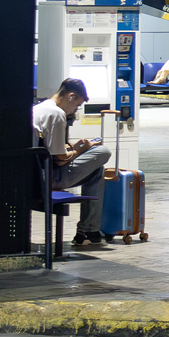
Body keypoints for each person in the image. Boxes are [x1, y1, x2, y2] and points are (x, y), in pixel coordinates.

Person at [32, 78, 112, 245]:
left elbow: (51, 149)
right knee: (103, 152)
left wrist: (74, 148)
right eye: (77, 106)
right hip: (49, 176)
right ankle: (88, 229)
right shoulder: (57, 114)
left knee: (96, 171)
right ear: (71, 96)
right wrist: (82, 150)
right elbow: (60, 160)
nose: (74, 111)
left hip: (36, 171)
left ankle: (89, 231)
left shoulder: (40, 108)